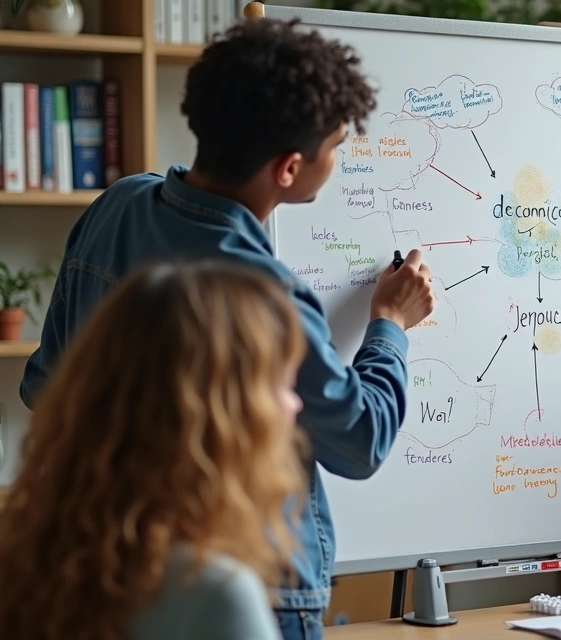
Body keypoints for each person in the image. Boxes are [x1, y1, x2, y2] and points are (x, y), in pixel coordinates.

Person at [19, 18, 434, 639]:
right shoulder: (262, 293)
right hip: (249, 587)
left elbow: (44, 386)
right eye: (338, 144)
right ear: (290, 168)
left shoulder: (116, 206)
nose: (340, 156)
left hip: (101, 568)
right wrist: (390, 324)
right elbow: (358, 439)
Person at [0, 261, 310, 640]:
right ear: (225, 418)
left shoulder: (30, 561)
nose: (296, 405)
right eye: (281, 384)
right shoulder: (215, 595)